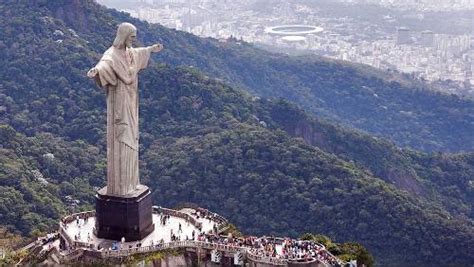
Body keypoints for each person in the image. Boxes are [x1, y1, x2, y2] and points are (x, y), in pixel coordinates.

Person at [87, 22, 163, 196]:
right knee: (122, 139)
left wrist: (151, 49)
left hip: (131, 99)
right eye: (131, 36)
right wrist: (96, 71)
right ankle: (120, 187)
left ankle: (131, 183)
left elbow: (139, 53)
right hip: (119, 102)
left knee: (132, 137)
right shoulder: (112, 54)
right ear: (124, 35)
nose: (133, 40)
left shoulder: (129, 52)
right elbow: (104, 64)